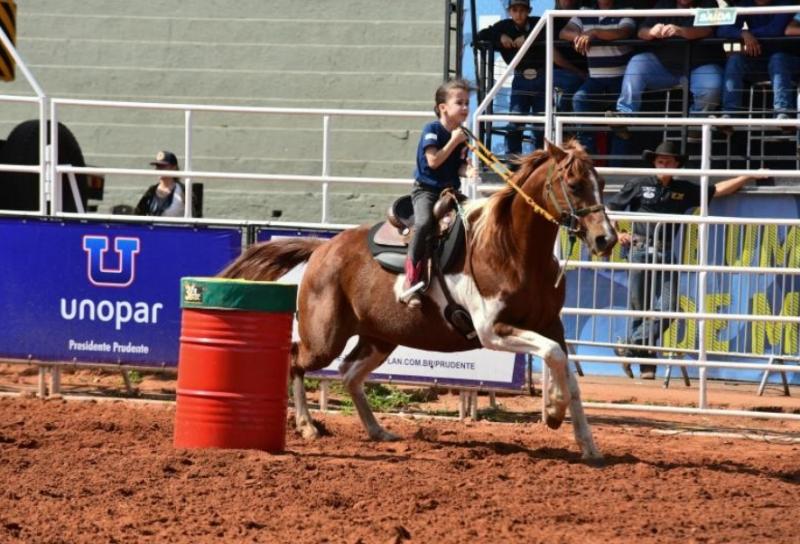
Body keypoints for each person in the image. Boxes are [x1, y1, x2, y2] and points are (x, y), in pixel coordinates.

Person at [606, 141, 759, 379]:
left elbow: (716, 190)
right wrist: (618, 233)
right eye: (659, 161)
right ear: (653, 163)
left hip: (666, 252)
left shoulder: (683, 189)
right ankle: (646, 366)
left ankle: (629, 346)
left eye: (667, 161)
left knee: (668, 307)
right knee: (640, 307)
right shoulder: (638, 184)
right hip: (638, 248)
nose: (663, 164)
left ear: (676, 164)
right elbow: (611, 208)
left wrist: (747, 176)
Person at [476, 0, 586, 156]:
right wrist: (500, 37)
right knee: (515, 121)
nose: (519, 14)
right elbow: (480, 35)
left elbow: (550, 31)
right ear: (509, 11)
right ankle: (512, 159)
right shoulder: (503, 26)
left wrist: (528, 37)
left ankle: (539, 158)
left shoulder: (538, 22)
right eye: (515, 10)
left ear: (529, 11)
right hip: (520, 79)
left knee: (541, 123)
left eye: (522, 10)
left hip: (542, 78)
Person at [610, 0, 726, 139]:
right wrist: (652, 32)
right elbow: (641, 31)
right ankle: (624, 116)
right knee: (638, 63)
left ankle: (696, 123)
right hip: (663, 67)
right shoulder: (664, 5)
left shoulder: (708, 3)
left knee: (712, 83)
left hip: (699, 67)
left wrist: (680, 31)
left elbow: (707, 30)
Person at [402, 79, 471, 308]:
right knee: (423, 224)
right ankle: (410, 280)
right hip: (427, 191)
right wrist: (454, 141)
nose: (465, 107)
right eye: (459, 102)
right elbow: (433, 161)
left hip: (450, 192)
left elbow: (456, 166)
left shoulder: (462, 137)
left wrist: (468, 169)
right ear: (443, 107)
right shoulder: (432, 130)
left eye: (467, 103)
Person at [559, 0, 636, 154]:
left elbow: (623, 32)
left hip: (622, 79)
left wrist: (594, 33)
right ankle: (587, 160)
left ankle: (618, 169)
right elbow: (563, 33)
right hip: (595, 79)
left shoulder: (626, 10)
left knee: (620, 127)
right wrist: (582, 36)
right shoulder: (584, 10)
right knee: (579, 99)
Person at [717, 0, 798, 133]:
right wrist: (743, 34)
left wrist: (750, 34)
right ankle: (729, 114)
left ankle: (783, 114)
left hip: (789, 64)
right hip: (759, 62)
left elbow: (775, 30)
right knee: (736, 59)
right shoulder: (746, 4)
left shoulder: (785, 2)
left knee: (777, 58)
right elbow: (722, 29)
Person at [134, 150, 197, 217]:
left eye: (162, 166)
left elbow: (195, 217)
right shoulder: (151, 191)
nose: (158, 169)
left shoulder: (183, 191)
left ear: (174, 167)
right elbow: (138, 214)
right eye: (157, 166)